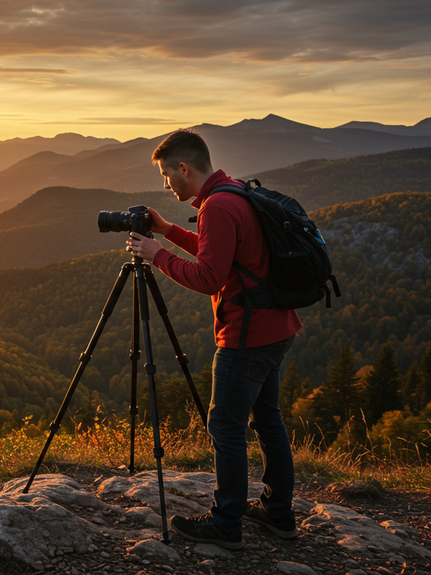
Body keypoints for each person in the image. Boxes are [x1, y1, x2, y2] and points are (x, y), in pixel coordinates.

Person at [126, 129, 302, 550]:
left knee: (225, 426)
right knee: (268, 421)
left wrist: (156, 255)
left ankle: (226, 523)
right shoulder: (234, 192)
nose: (166, 185)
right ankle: (279, 514)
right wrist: (168, 231)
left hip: (246, 336)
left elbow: (208, 277)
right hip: (277, 326)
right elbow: (217, 252)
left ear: (184, 168)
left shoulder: (218, 207)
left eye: (167, 176)